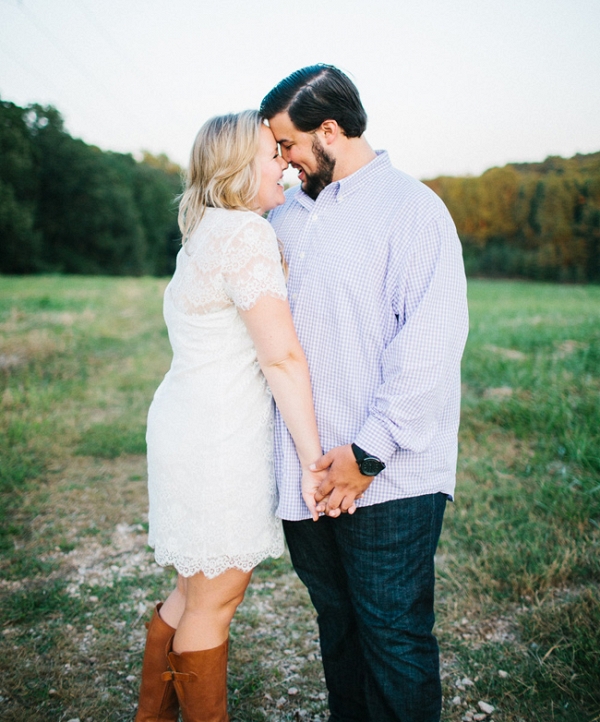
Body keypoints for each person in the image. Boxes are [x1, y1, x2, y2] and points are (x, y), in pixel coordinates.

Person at [261, 65, 469, 722]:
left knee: (394, 637)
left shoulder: (412, 208)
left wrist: (368, 452)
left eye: (288, 144)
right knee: (339, 632)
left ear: (330, 130)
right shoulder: (283, 216)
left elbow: (431, 346)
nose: (282, 159)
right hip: (308, 478)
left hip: (390, 478)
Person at [135, 110, 326, 722]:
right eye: (273, 153)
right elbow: (282, 357)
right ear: (239, 167)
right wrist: (311, 459)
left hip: (185, 424)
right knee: (214, 599)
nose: (286, 165)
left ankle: (152, 715)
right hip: (217, 439)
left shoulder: (206, 233)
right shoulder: (245, 235)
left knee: (194, 587)